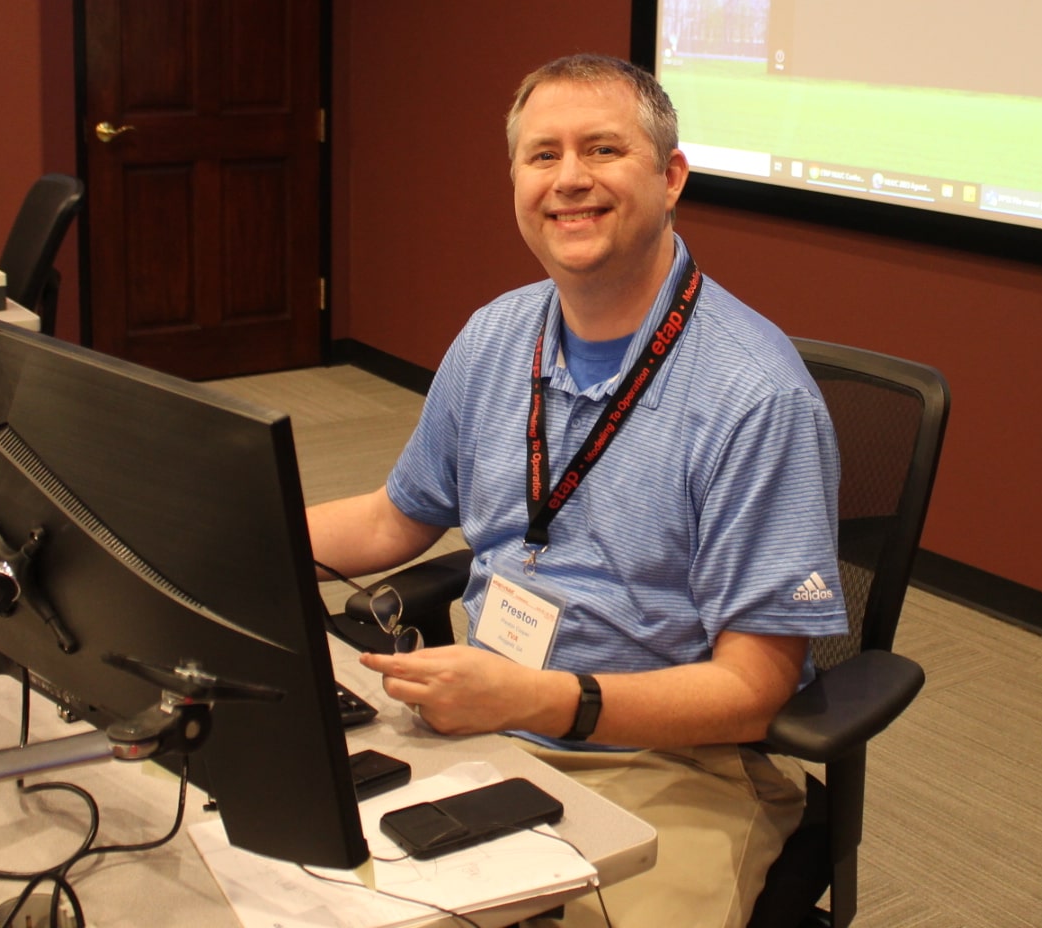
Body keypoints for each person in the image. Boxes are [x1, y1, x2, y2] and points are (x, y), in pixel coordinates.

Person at [307, 53, 847, 927]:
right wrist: (229, 533)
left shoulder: (754, 395)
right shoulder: (495, 336)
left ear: (670, 177)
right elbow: (389, 519)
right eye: (542, 155)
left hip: (670, 762)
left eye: (602, 150)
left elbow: (755, 688)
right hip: (478, 723)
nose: (569, 180)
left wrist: (545, 700)